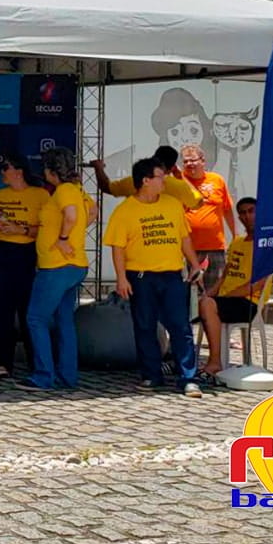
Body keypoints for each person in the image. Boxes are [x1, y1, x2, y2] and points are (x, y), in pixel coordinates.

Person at [103, 156, 204, 398]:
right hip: (141, 277)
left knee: (180, 326)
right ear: (145, 180)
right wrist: (121, 278)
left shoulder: (172, 204)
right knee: (145, 326)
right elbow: (118, 247)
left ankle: (188, 378)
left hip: (172, 275)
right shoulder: (125, 211)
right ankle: (151, 375)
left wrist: (194, 264)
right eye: (160, 177)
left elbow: (184, 237)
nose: (165, 181)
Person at [18, 147, 96, 391]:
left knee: (36, 319)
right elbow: (92, 211)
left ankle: (43, 376)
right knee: (64, 320)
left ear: (51, 171)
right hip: (74, 265)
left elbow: (71, 216)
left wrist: (63, 238)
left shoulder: (64, 190)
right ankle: (67, 376)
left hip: (56, 266)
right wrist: (75, 234)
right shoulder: (78, 190)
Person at [0, 153, 49, 379]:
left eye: (6, 167)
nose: (2, 172)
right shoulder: (0, 195)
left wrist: (20, 229)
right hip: (0, 252)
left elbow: (48, 228)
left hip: (25, 254)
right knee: (2, 309)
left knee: (27, 309)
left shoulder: (40, 195)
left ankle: (35, 363)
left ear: (19, 171)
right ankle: (3, 363)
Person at [198, 197, 272, 376]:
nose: (247, 216)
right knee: (199, 303)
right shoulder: (237, 242)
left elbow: (257, 284)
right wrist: (210, 294)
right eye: (243, 213)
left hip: (248, 302)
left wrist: (224, 296)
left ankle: (215, 362)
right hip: (227, 299)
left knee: (208, 305)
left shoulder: (266, 245)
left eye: (251, 211)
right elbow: (225, 275)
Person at [180, 143, 235, 295]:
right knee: (189, 290)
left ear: (203, 161)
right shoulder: (178, 183)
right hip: (187, 248)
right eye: (185, 161)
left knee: (215, 289)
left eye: (193, 160)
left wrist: (235, 235)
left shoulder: (217, 180)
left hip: (215, 246)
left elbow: (227, 209)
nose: (189, 164)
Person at [90, 145, 202, 208]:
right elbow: (198, 203)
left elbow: (106, 187)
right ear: (172, 168)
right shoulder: (179, 186)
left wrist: (98, 168)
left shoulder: (134, 181)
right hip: (169, 237)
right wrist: (181, 177)